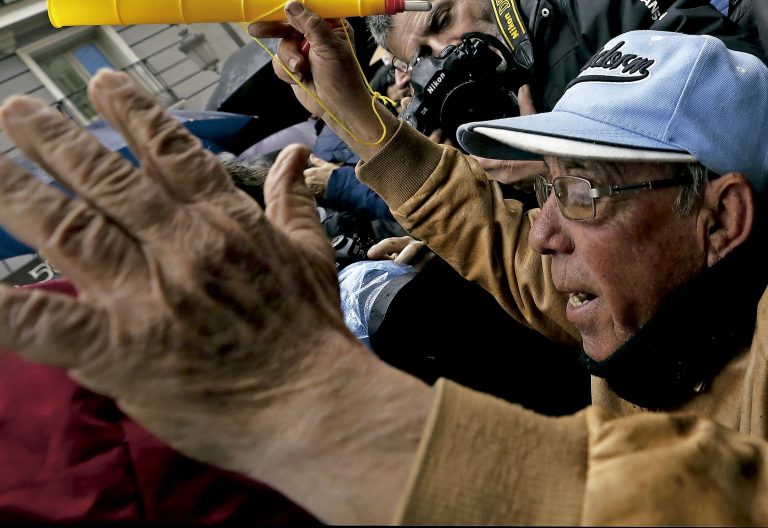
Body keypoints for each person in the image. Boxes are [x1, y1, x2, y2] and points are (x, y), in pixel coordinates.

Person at [1, 19, 768, 528]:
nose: (540, 231)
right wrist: (357, 114)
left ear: (722, 220)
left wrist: (306, 390)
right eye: (543, 185)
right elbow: (497, 244)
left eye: (584, 192)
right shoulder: (653, 296)